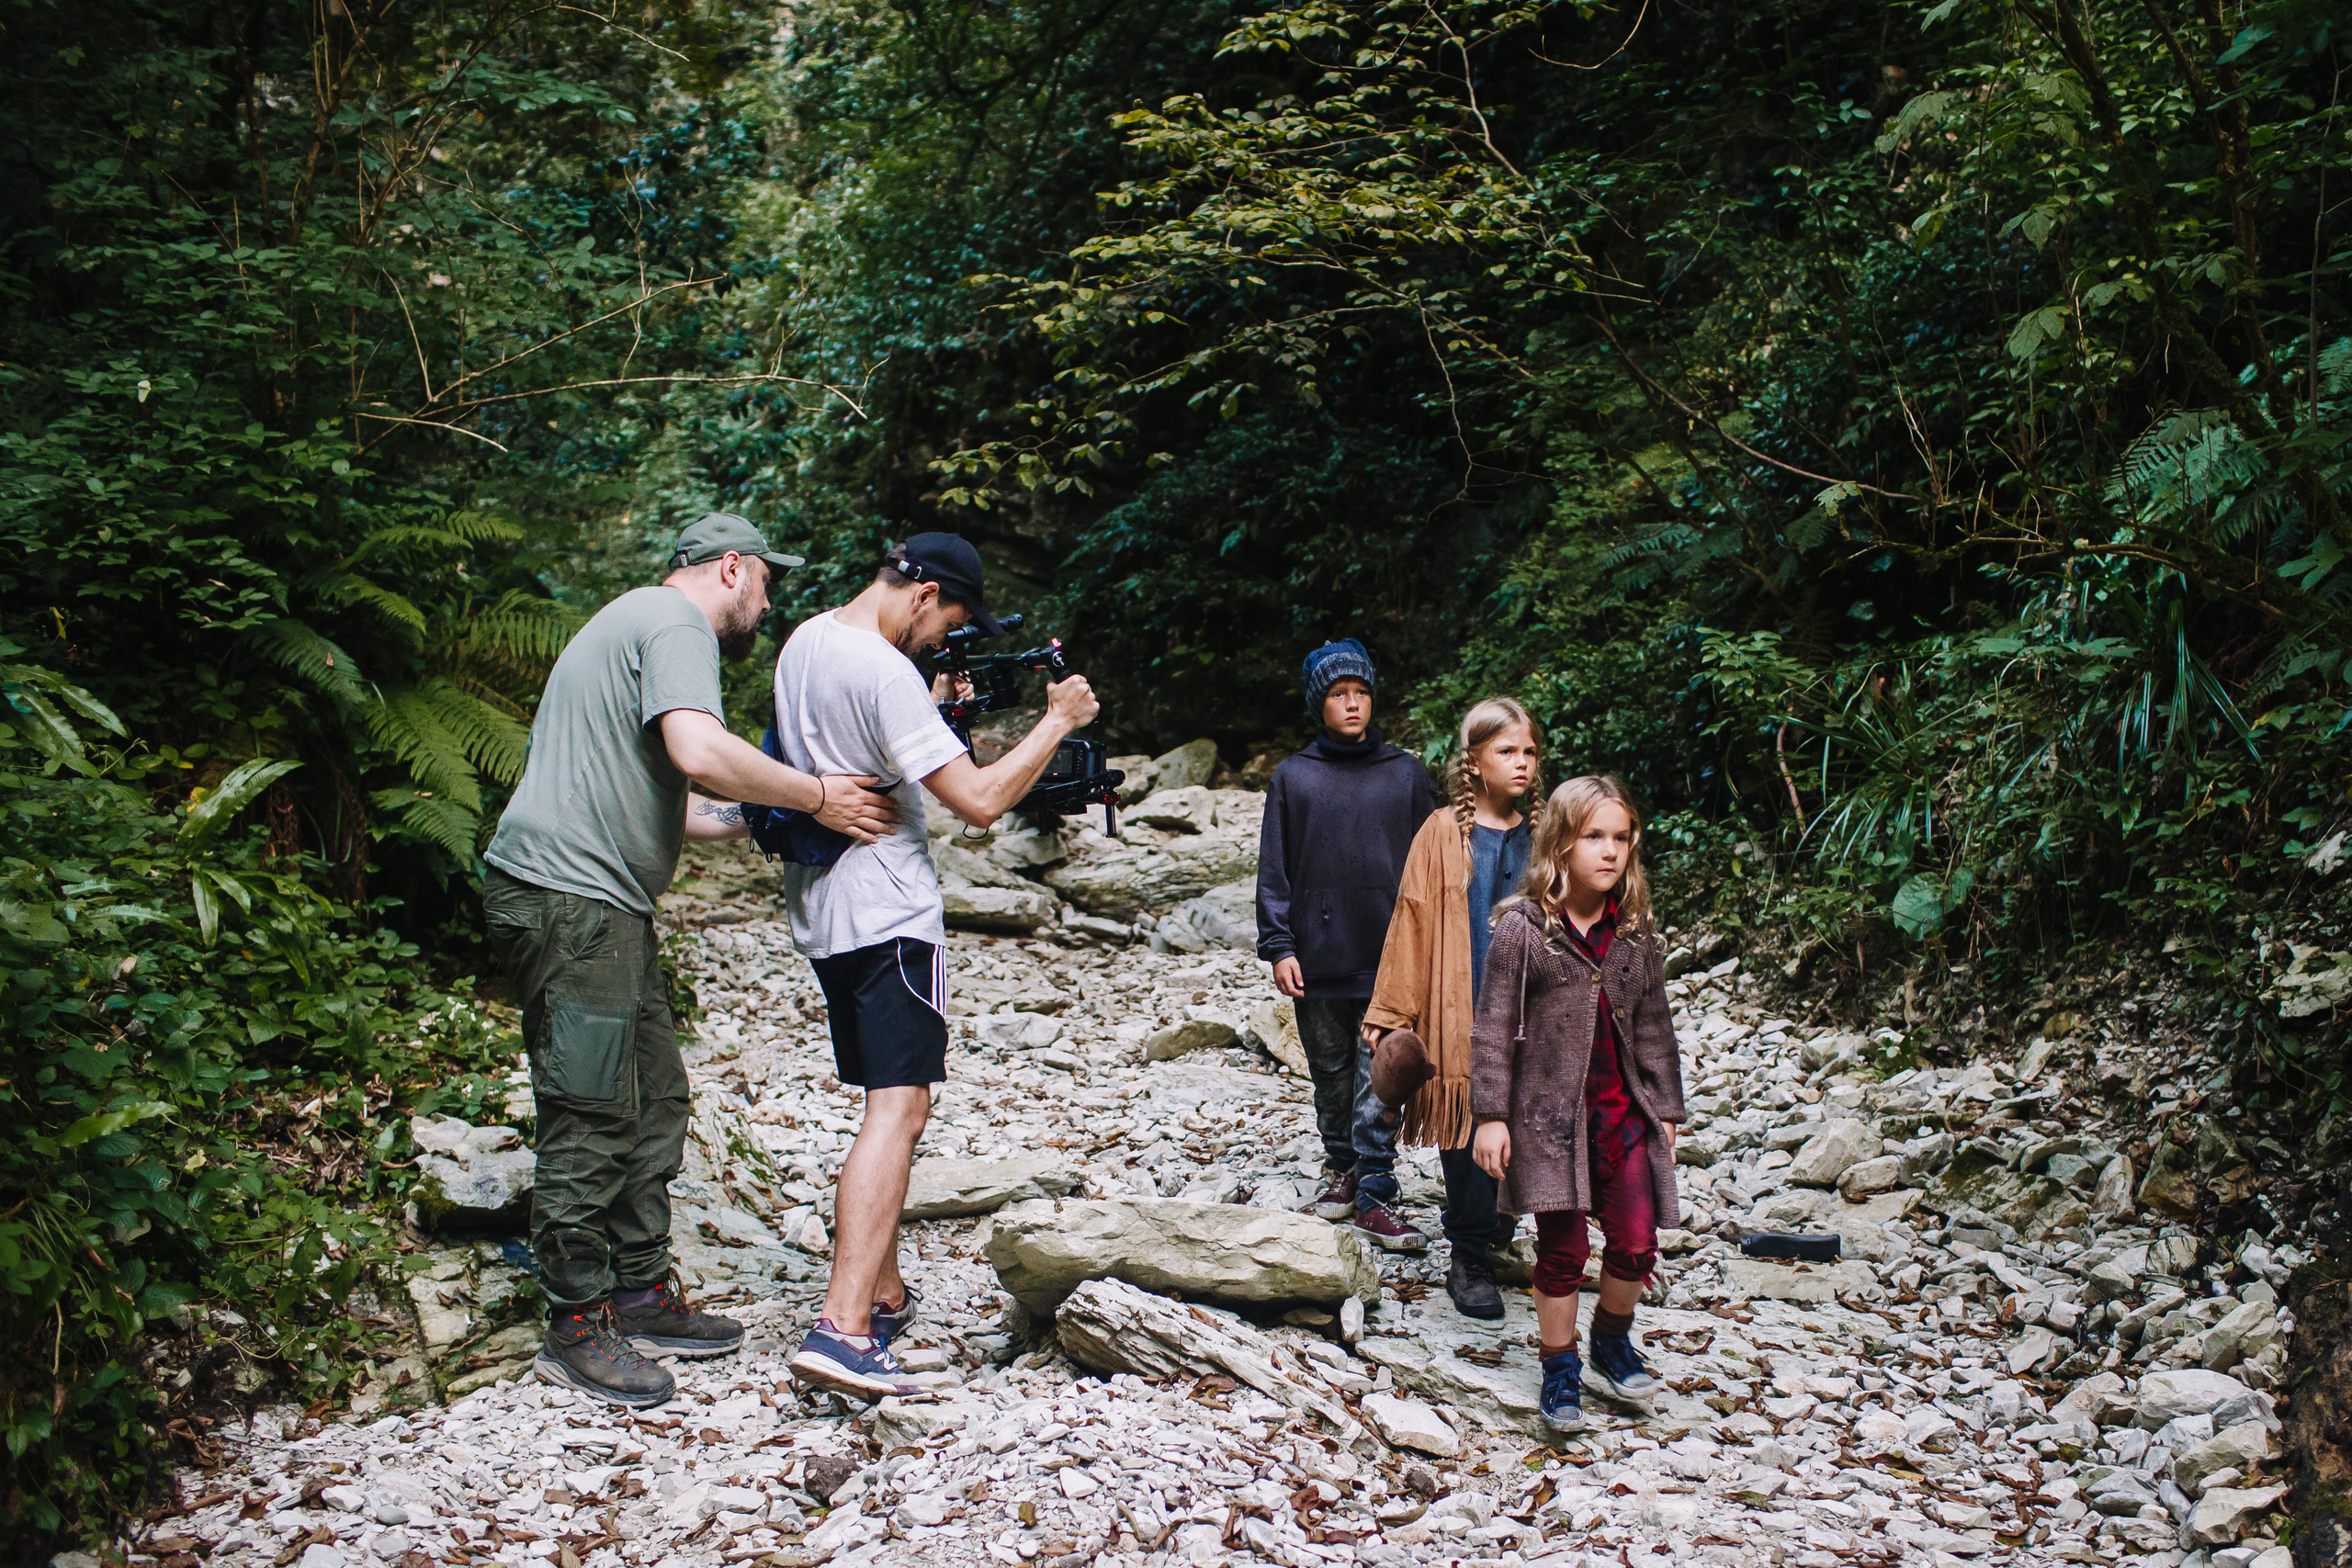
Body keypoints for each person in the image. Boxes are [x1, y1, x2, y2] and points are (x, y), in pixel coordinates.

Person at [484, 513, 898, 1409]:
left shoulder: (634, 624)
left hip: (599, 904)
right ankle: (577, 1322)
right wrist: (818, 795)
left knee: (656, 1098)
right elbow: (699, 752)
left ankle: (637, 1292)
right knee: (591, 1111)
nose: (767, 602)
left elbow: (674, 803)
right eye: (765, 584)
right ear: (731, 570)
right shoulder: (673, 623)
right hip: (568, 899)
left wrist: (766, 816)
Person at [773, 533, 1100, 1400]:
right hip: (889, 911)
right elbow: (983, 802)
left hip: (825, 907)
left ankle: (880, 1292)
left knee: (889, 1098)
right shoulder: (882, 670)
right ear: (921, 593)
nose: (941, 637)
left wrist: (926, 701)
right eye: (948, 619)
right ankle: (842, 1329)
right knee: (900, 1108)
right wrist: (1059, 719)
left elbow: (852, 745)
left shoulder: (807, 640)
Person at [1470, 775, 1685, 1434]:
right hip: (1548, 1124)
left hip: (1622, 1118)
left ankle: (1611, 1341)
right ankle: (1559, 1365)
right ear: (1560, 842)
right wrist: (1491, 1115)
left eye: (1621, 837)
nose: (1610, 850)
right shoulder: (1524, 929)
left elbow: (1653, 1023)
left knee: (1638, 1241)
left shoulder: (1637, 935)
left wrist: (1667, 1110)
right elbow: (1493, 1025)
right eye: (1594, 836)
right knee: (1562, 1251)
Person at [1362, 698, 1544, 1319]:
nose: (1521, 763)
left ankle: (1497, 1224)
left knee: (1524, 1131)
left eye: (1528, 752)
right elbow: (1410, 919)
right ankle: (1468, 1253)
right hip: (1459, 1010)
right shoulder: (1441, 832)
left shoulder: (1545, 836)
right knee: (1468, 1127)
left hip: (1529, 1015)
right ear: (1472, 763)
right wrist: (1392, 1013)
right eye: (1506, 751)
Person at [1255, 638, 1440, 1253]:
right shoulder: (1295, 776)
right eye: (1339, 694)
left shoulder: (1405, 774)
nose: (1353, 703)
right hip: (1316, 957)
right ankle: (1345, 1167)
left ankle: (1377, 1192)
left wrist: (1433, 944)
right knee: (1330, 1073)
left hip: (1390, 960)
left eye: (1361, 691)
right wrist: (1280, 945)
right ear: (1320, 704)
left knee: (1378, 1076)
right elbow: (1274, 868)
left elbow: (1434, 864)